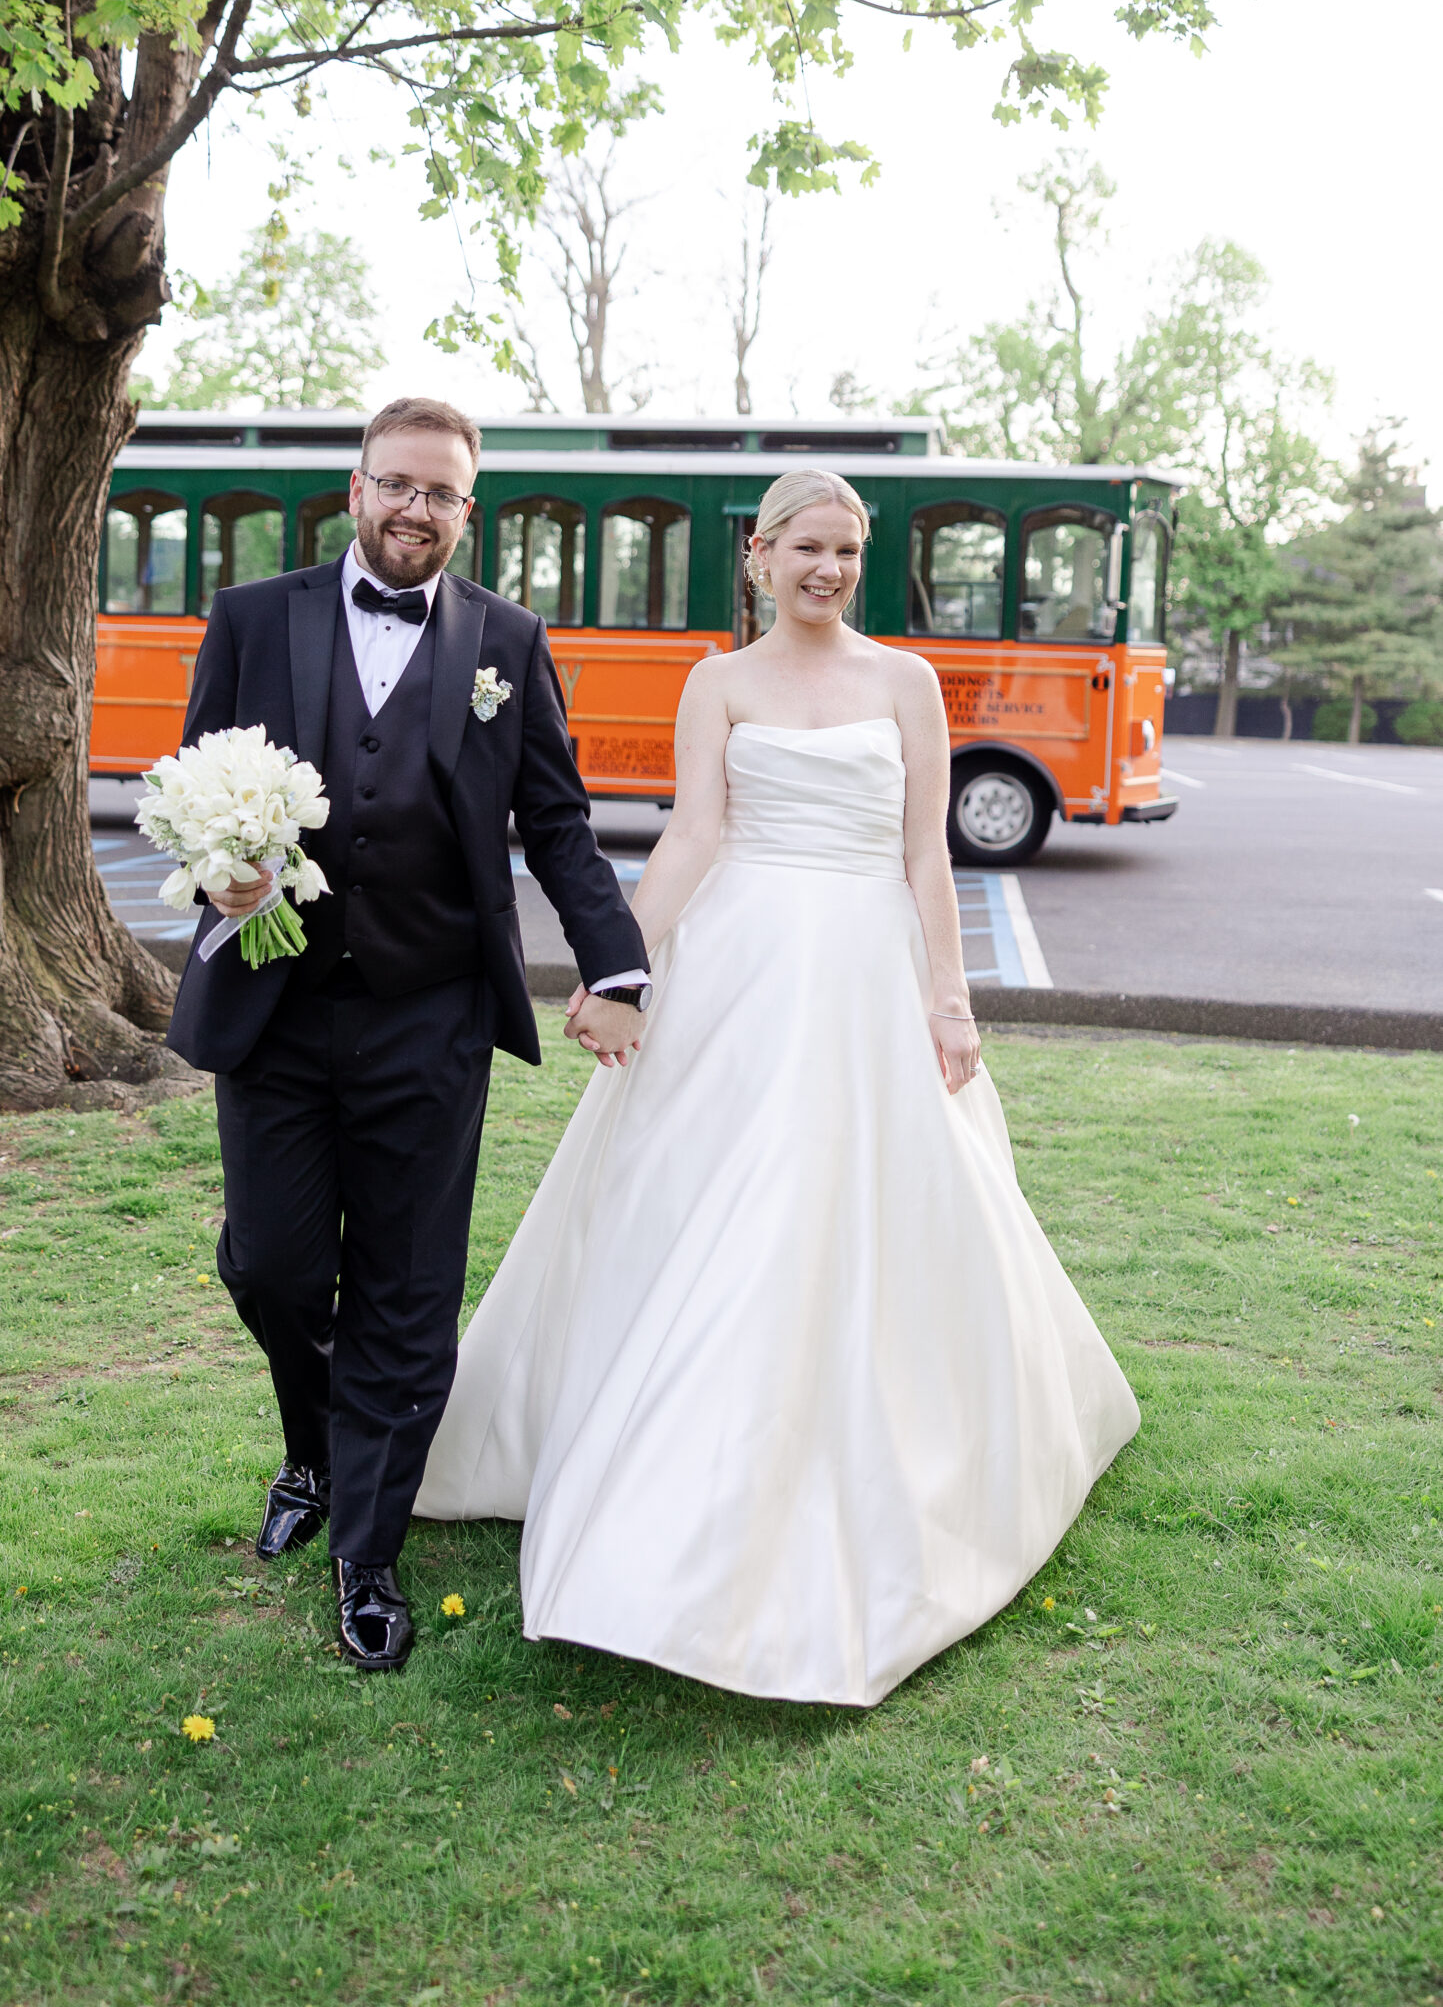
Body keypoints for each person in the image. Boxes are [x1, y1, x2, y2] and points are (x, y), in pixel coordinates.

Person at [417, 467, 1140, 1707]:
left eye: (848, 551)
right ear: (758, 555)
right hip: (739, 969)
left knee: (855, 1205)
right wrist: (620, 970)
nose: (829, 570)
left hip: (865, 966)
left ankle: (858, 1453)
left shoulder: (907, 684)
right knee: (712, 1205)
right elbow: (693, 835)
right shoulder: (720, 684)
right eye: (807, 547)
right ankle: (667, 1474)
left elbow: (926, 852)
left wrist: (949, 997)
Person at [166, 398, 649, 1673]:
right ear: (357, 486)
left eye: (441, 495)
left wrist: (620, 962)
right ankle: (317, 1448)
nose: (415, 511)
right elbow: (193, 781)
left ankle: (367, 1550)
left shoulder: (507, 639)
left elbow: (555, 822)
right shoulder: (253, 618)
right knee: (271, 1265)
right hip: (277, 1006)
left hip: (431, 1018)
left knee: (407, 1287)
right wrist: (222, 872)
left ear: (466, 511)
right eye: (396, 485)